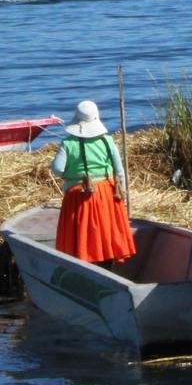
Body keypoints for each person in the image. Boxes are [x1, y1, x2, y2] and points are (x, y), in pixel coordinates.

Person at [50, 101, 135, 265]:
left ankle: (85, 268)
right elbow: (119, 171)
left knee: (84, 234)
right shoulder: (108, 141)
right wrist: (121, 194)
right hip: (108, 193)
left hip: (80, 194)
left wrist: (73, 176)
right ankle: (107, 267)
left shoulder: (68, 143)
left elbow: (57, 169)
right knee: (106, 233)